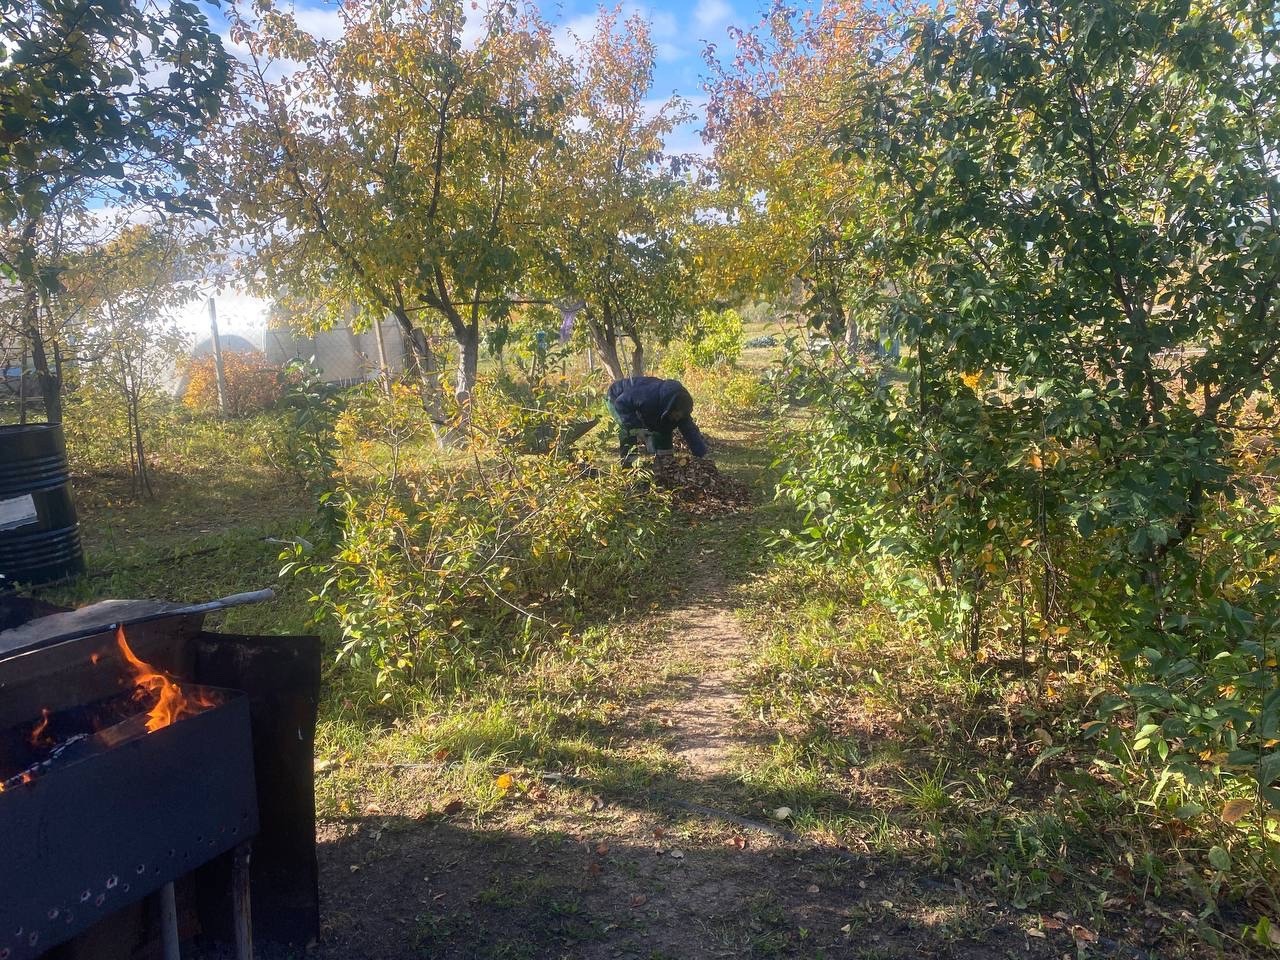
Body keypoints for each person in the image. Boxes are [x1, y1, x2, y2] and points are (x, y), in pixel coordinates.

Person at [605, 376, 708, 465]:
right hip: (618, 398)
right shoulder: (649, 397)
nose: (677, 419)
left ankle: (666, 464)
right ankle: (629, 468)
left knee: (665, 428)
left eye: (679, 417)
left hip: (643, 404)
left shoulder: (680, 409)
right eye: (676, 415)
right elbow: (621, 403)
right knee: (628, 431)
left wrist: (701, 455)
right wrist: (636, 427)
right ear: (670, 408)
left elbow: (690, 431)